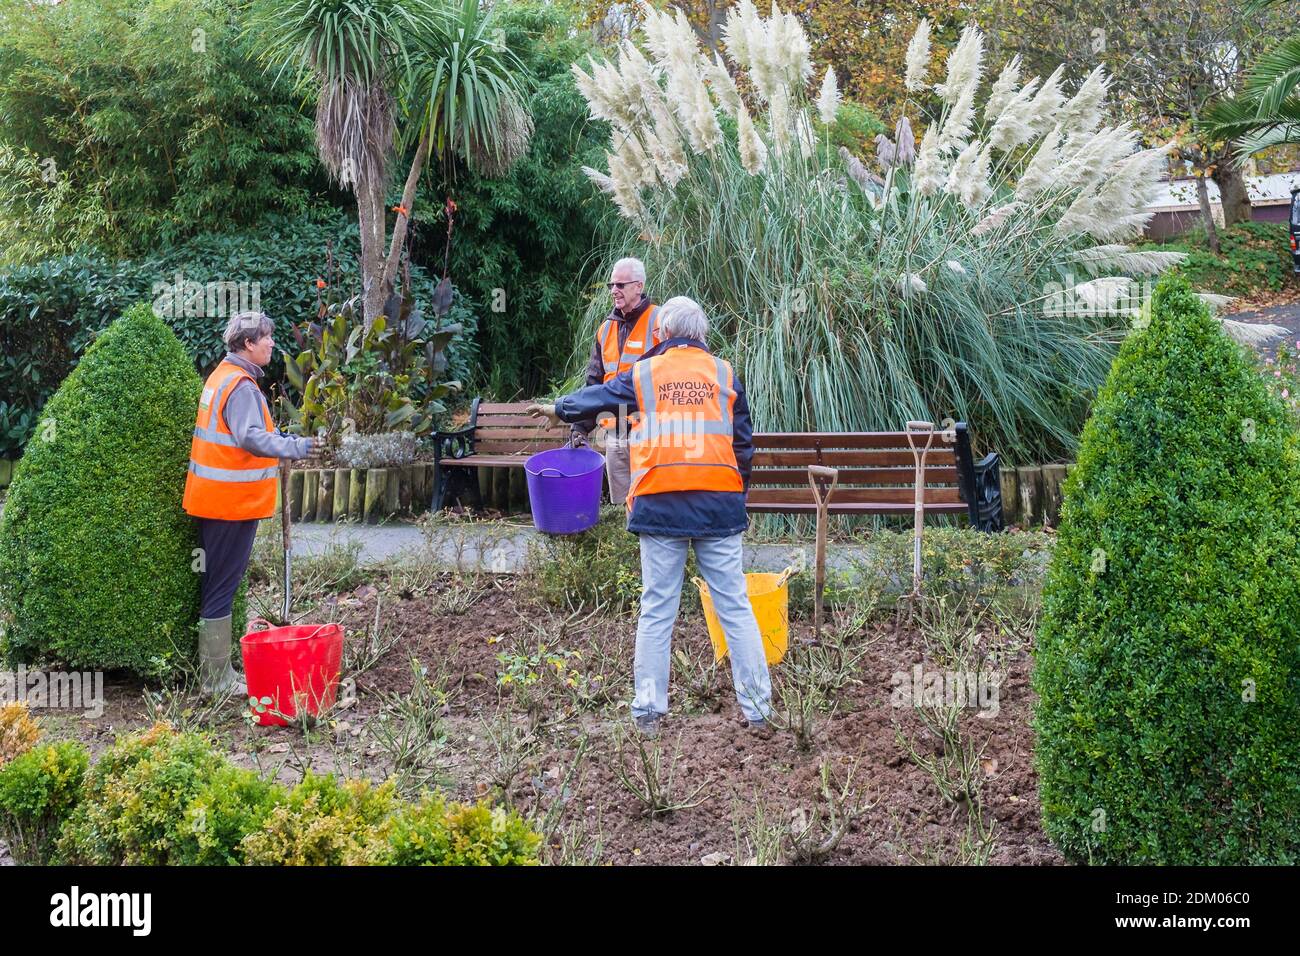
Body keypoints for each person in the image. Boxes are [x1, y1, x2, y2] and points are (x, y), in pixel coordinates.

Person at [528, 296, 772, 736]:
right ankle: (758, 711)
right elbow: (743, 447)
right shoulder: (724, 374)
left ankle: (648, 712)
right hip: (718, 506)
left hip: (660, 504)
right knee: (734, 606)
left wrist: (558, 408)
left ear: (661, 333)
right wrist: (738, 496)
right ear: (702, 334)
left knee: (658, 608)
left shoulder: (644, 374)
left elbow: (599, 396)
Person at [182, 312, 322, 695]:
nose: (272, 344)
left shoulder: (220, 377)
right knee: (221, 589)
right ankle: (216, 680)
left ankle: (215, 674)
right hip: (231, 505)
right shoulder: (241, 387)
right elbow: (250, 437)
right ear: (247, 344)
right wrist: (298, 446)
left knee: (215, 585)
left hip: (214, 501)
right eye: (266, 338)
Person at [572, 256, 664, 504]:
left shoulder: (660, 322)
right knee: (623, 507)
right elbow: (595, 385)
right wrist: (580, 427)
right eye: (611, 285)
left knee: (650, 504)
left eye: (621, 285)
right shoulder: (605, 329)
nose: (614, 290)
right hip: (614, 435)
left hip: (650, 435)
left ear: (639, 286)